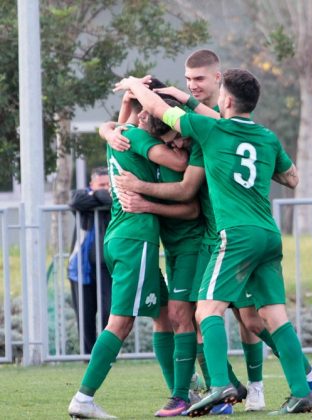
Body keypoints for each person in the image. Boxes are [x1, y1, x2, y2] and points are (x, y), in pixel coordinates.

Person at [114, 68, 312, 415]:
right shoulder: (267, 137)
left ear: (224, 99)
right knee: (273, 315)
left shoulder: (211, 130)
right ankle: (302, 392)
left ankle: (221, 385)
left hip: (236, 234)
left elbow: (158, 108)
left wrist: (134, 84)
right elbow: (292, 178)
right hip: (268, 234)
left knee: (206, 310)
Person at [68, 107, 189, 419]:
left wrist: (109, 127)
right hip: (136, 239)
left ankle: (181, 395)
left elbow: (120, 117)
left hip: (120, 237)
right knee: (121, 323)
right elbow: (180, 163)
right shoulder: (135, 136)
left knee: (163, 314)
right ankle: (83, 397)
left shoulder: (120, 133)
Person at [68, 167, 113, 355]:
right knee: (85, 316)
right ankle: (88, 358)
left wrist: (98, 194)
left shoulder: (113, 197)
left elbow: (111, 201)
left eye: (108, 185)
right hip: (80, 267)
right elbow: (75, 200)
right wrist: (100, 196)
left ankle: (106, 355)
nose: (105, 188)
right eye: (101, 185)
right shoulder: (82, 195)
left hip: (107, 266)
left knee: (108, 312)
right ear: (91, 184)